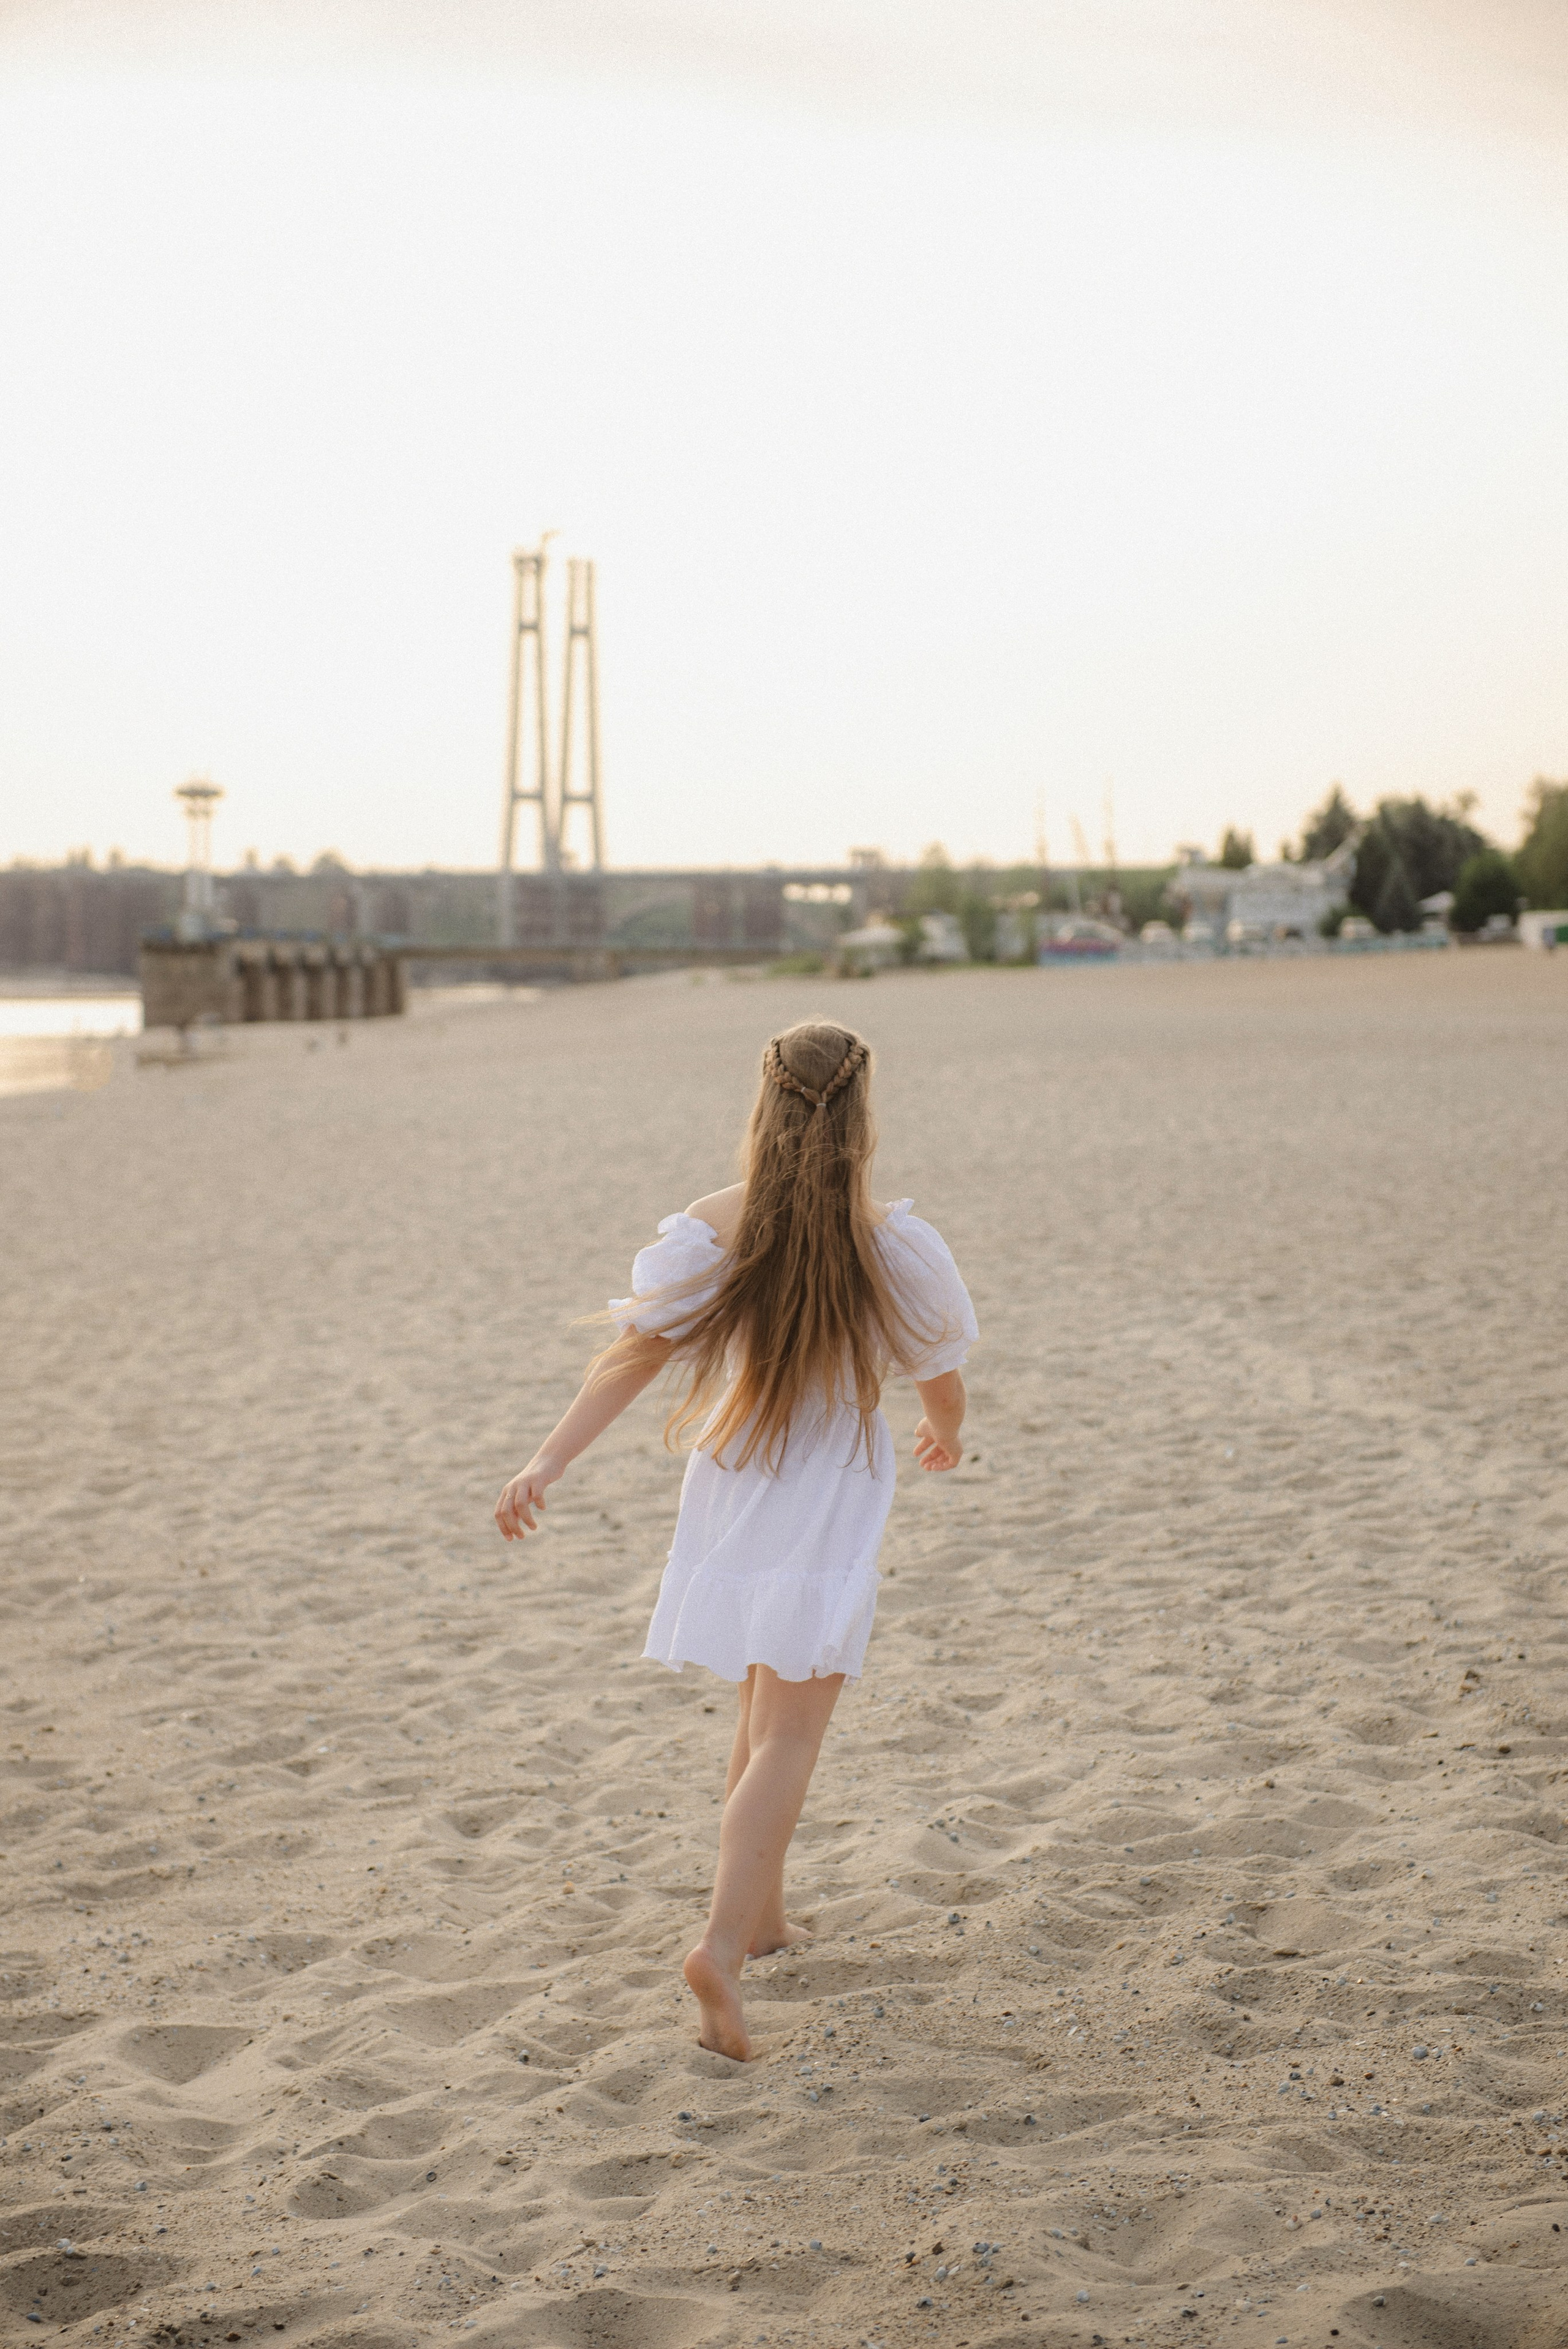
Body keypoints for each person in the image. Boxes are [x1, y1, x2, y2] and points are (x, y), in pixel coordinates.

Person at [494, 1020, 978, 2059]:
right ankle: (717, 1943)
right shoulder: (892, 1241)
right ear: (863, 1115)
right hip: (829, 1491)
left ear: (763, 1108)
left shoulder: (714, 1231)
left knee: (759, 1710)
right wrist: (944, 1431)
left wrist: (547, 1462)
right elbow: (939, 1370)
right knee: (794, 1728)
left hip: (734, 1481)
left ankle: (759, 1922)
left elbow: (629, 1360)